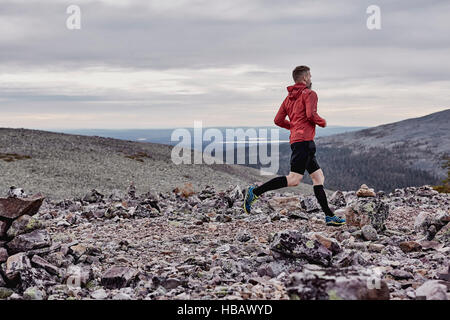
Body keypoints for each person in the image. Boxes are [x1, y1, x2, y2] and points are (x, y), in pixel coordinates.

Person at [243, 65, 346, 226]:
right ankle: (254, 192)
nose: (311, 79)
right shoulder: (310, 93)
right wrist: (322, 122)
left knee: (318, 177)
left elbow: (278, 120)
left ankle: (329, 216)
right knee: (294, 179)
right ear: (305, 78)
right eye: (310, 76)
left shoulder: (288, 98)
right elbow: (311, 114)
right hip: (304, 143)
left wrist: (293, 127)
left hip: (300, 142)